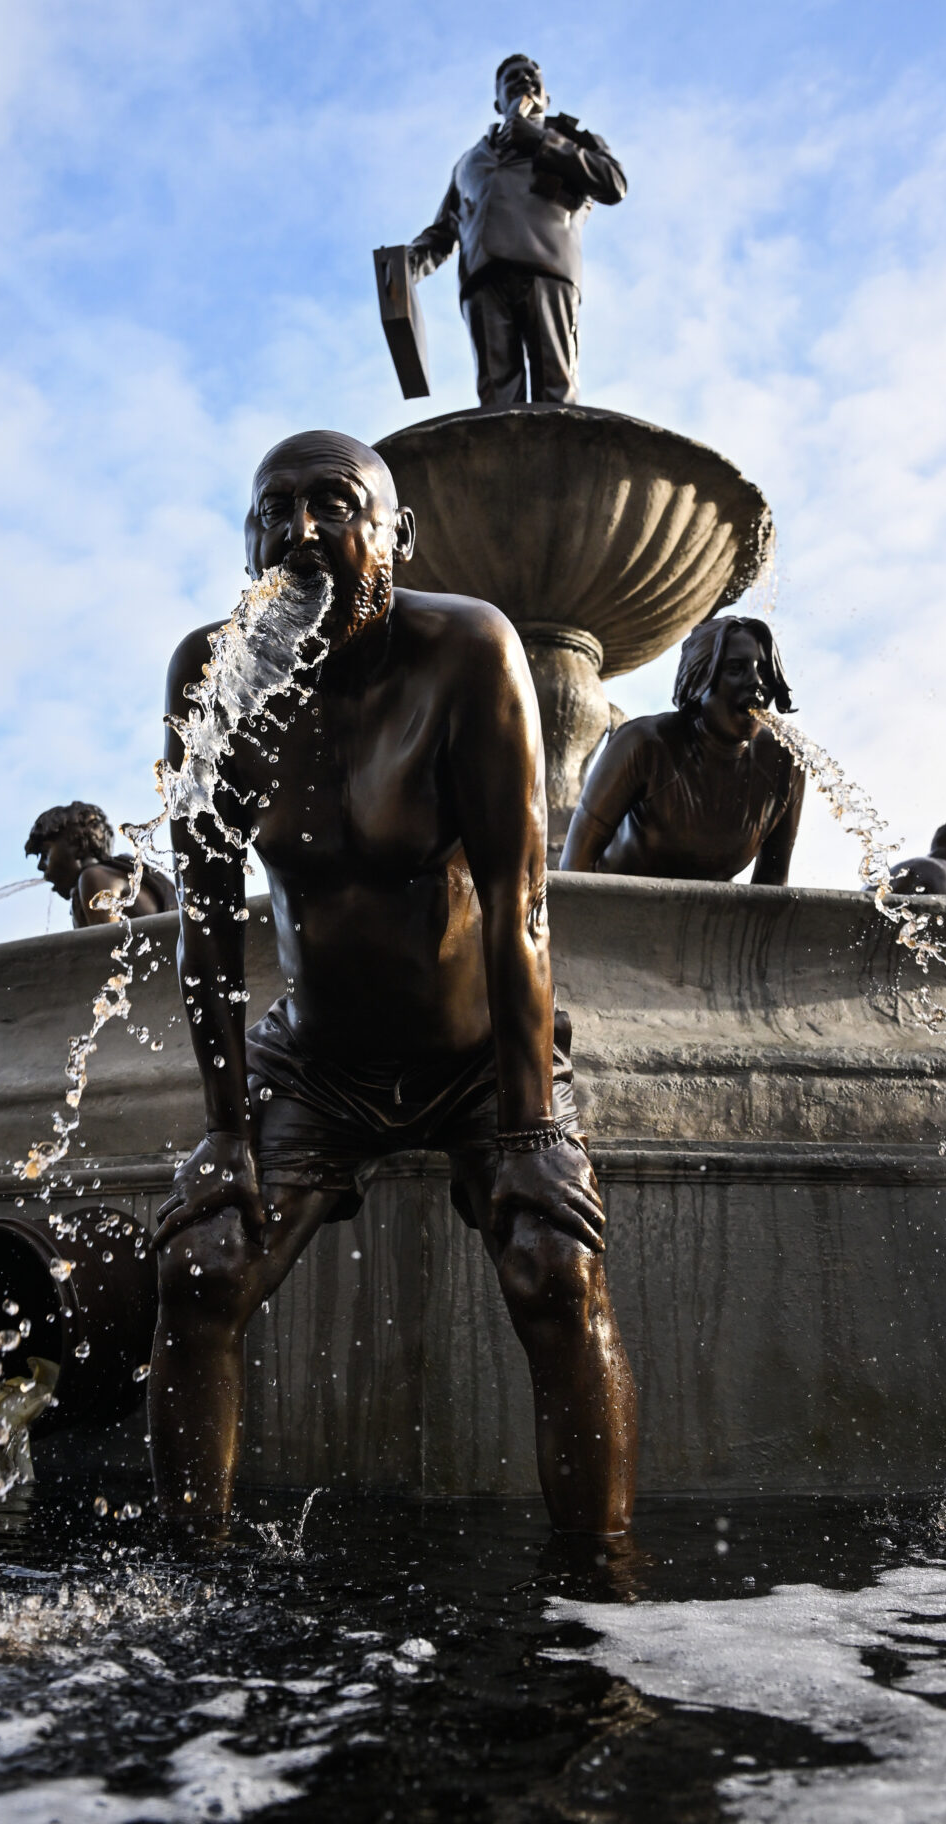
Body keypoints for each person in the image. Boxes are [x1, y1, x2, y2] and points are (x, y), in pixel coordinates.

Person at [149, 429, 637, 1535]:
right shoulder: (211, 672)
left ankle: (599, 1594)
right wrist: (227, 1132)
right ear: (247, 543)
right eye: (274, 512)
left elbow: (520, 901)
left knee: (554, 1266)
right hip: (318, 1063)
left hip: (474, 1059)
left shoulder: (464, 648)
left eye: (335, 506)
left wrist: (526, 1127)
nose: (304, 531)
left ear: (396, 536)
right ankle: (193, 1584)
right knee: (200, 1268)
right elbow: (209, 923)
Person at [408, 54, 626, 407]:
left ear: (547, 96)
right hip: (482, 280)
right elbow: (443, 231)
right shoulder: (469, 162)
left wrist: (542, 143)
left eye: (531, 75)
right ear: (497, 101)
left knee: (556, 394)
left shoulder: (570, 137)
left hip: (547, 267)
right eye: (512, 76)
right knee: (497, 400)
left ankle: (561, 461)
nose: (524, 79)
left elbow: (613, 183)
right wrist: (407, 265)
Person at [559, 616, 803, 883]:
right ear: (700, 679)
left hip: (711, 920)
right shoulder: (645, 745)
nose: (756, 681)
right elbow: (574, 868)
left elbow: (772, 887)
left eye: (764, 672)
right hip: (617, 914)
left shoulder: (784, 762)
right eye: (736, 668)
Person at [25, 801, 178, 927]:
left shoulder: (94, 877)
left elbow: (102, 950)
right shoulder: (114, 874)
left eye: (46, 854)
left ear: (78, 843)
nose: (41, 866)